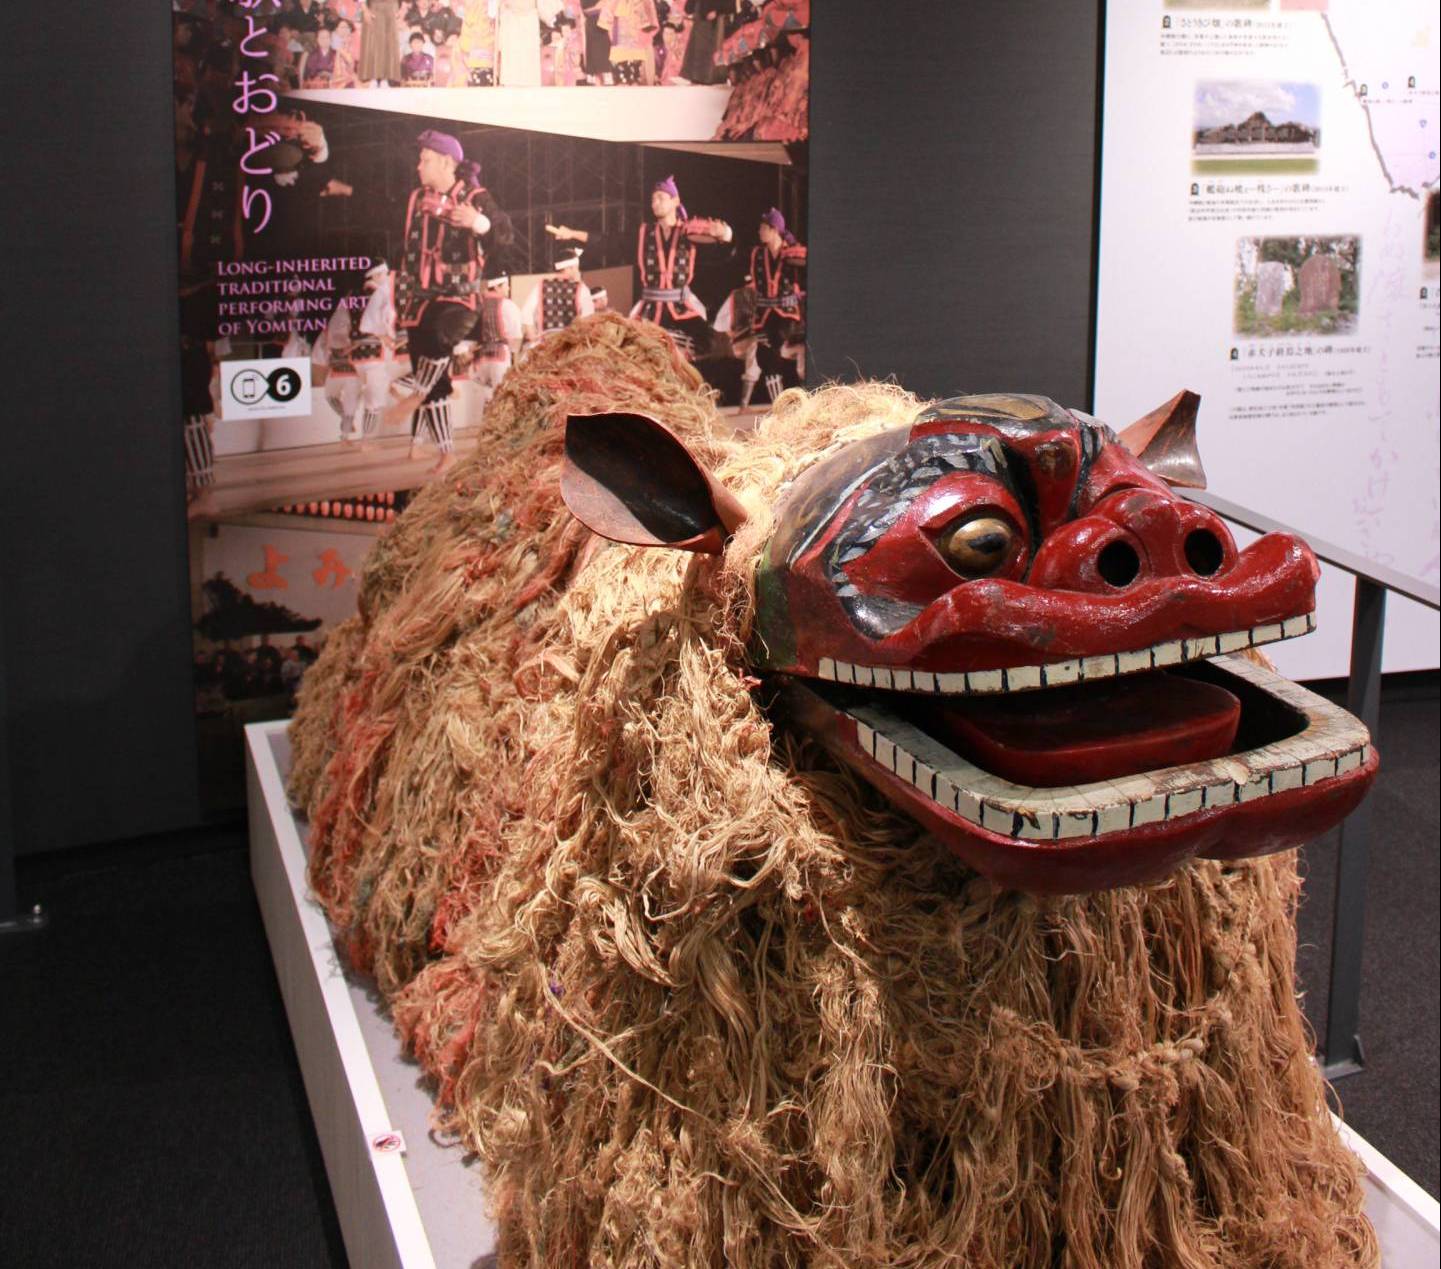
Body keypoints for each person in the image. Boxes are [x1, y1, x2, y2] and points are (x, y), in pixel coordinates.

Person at [391, 130, 513, 473]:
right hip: (418, 300)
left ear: (447, 162)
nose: (418, 166)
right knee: (436, 382)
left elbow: (504, 231)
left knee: (440, 337)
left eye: (425, 159)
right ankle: (447, 452)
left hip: (459, 299)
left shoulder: (475, 195)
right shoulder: (416, 198)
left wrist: (478, 222)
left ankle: (416, 390)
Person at [629, 175, 731, 360]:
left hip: (682, 307)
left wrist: (725, 235)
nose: (655, 203)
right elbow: (610, 242)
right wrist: (572, 233)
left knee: (707, 343)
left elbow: (720, 255)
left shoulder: (689, 232)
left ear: (675, 201)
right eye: (653, 199)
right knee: (628, 348)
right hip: (649, 308)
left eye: (661, 197)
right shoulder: (645, 233)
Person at [742, 206, 805, 405]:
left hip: (786, 315)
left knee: (777, 346)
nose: (760, 232)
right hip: (763, 316)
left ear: (774, 229)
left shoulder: (793, 253)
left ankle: (799, 397)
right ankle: (779, 405)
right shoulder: (757, 254)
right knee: (764, 358)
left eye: (763, 228)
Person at [520, 248, 595, 344]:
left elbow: (526, 311)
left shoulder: (542, 285)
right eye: (576, 267)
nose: (578, 271)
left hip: (545, 346)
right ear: (570, 268)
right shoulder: (581, 288)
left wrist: (531, 334)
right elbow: (588, 318)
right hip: (570, 347)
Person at [358, 0, 402, 84]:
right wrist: (365, 9)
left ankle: (388, 78)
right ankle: (373, 77)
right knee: (372, 41)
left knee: (391, 42)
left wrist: (402, 8)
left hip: (393, 6)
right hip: (374, 6)